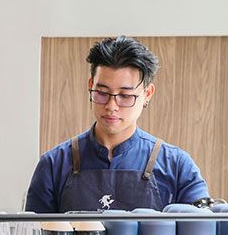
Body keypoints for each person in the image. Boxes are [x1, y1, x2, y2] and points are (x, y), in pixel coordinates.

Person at [25, 36, 209, 213]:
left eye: (125, 96)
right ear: (90, 86)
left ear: (147, 94)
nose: (111, 106)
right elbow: (31, 233)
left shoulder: (178, 166)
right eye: (102, 93)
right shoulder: (53, 165)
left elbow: (203, 229)